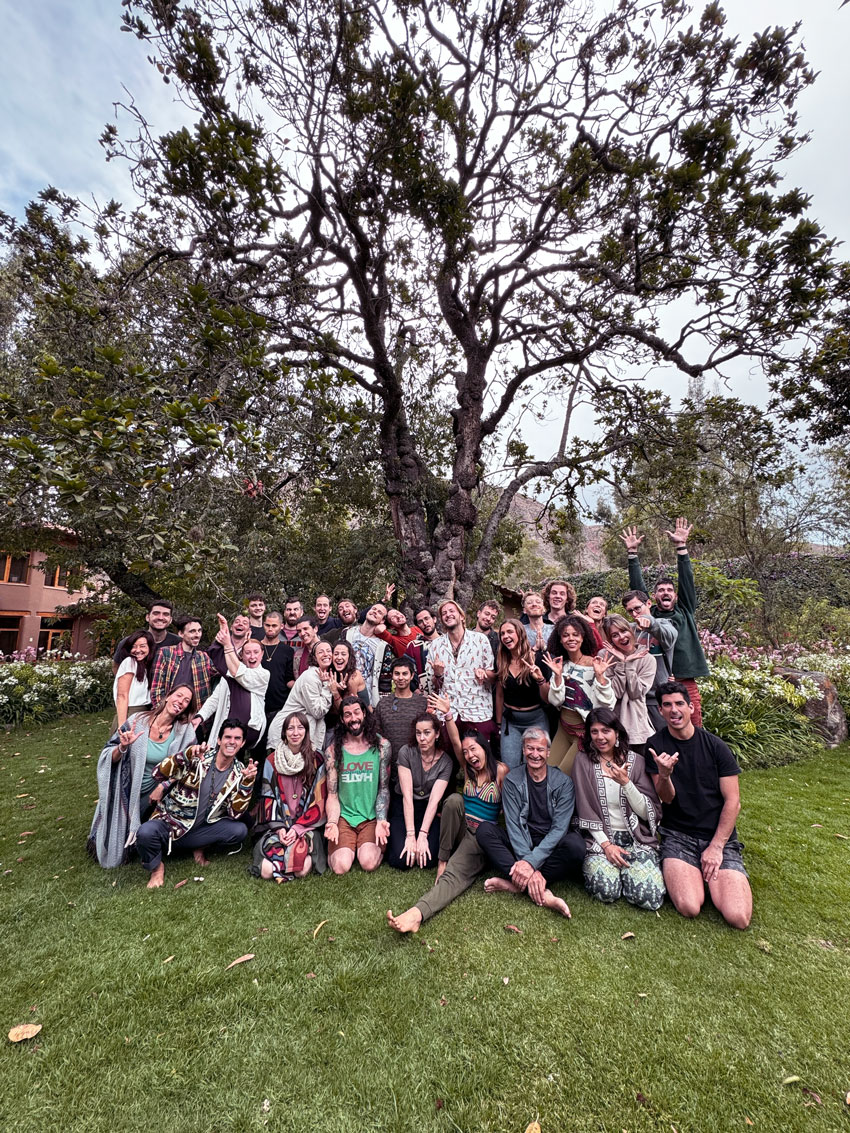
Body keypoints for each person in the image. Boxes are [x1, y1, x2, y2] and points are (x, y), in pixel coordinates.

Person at [645, 681, 752, 929]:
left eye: (679, 704)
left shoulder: (716, 747)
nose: (674, 710)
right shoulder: (655, 745)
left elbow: (733, 802)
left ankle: (716, 872)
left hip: (717, 837)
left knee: (738, 917)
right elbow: (666, 798)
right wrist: (664, 774)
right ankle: (695, 874)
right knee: (689, 906)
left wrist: (716, 847)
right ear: (660, 711)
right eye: (667, 705)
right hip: (678, 835)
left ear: (691, 707)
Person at [387, 729, 508, 933]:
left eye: (473, 749)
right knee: (453, 800)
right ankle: (442, 861)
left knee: (454, 874)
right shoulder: (468, 769)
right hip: (461, 829)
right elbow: (454, 739)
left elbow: (511, 809)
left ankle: (417, 914)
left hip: (481, 837)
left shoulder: (501, 771)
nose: (470, 755)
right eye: (466, 751)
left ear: (484, 746)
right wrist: (448, 715)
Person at [135, 720, 257, 889]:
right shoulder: (199, 757)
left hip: (198, 830)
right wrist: (186, 754)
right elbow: (158, 772)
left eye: (237, 738)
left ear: (243, 743)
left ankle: (197, 846)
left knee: (239, 830)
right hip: (171, 823)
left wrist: (247, 783)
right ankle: (156, 868)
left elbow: (235, 814)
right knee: (145, 833)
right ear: (219, 740)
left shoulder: (240, 771)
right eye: (227, 737)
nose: (232, 742)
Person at [475, 729, 584, 918]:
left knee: (575, 846)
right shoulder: (512, 781)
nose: (535, 754)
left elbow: (559, 829)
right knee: (484, 831)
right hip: (522, 841)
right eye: (530, 748)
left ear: (548, 752)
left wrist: (530, 863)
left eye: (540, 749)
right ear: (523, 750)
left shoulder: (564, 783)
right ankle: (542, 892)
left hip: (551, 844)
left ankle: (515, 884)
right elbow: (513, 826)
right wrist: (527, 861)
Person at [88, 684, 197, 868]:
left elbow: (187, 766)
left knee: (135, 837)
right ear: (168, 696)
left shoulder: (184, 732)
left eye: (186, 701)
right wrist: (122, 747)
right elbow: (110, 755)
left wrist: (163, 786)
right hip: (127, 788)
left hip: (155, 794)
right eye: (179, 696)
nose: (181, 702)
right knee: (111, 842)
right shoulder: (137, 720)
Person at [572, 707, 664, 910]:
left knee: (648, 897)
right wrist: (607, 846)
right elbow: (585, 808)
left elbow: (647, 812)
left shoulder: (636, 763)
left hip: (635, 838)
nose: (600, 737)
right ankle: (616, 873)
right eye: (594, 732)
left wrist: (626, 784)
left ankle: (629, 873)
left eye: (605, 731)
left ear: (617, 733)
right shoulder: (583, 762)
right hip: (601, 839)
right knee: (606, 891)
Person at [622, 517, 710, 726]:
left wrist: (681, 547)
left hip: (684, 678)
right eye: (661, 590)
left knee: (693, 724)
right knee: (663, 727)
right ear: (654, 597)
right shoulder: (648, 615)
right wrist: (632, 555)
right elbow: (637, 593)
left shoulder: (684, 610)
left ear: (676, 595)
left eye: (670, 590)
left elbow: (686, 580)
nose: (666, 593)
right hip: (658, 680)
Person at [252, 711, 327, 882]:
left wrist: (297, 829)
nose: (295, 733)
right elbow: (267, 798)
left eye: (300, 728)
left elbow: (319, 800)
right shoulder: (272, 760)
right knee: (265, 872)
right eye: (290, 728)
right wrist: (280, 829)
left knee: (300, 870)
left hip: (306, 826)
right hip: (277, 826)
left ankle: (292, 860)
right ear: (284, 732)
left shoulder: (317, 759)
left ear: (306, 731)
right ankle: (284, 860)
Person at [324, 696, 392, 874]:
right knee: (340, 867)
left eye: (356, 713)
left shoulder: (382, 746)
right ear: (341, 719)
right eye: (347, 715)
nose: (353, 719)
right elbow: (332, 794)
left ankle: (362, 847)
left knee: (368, 863)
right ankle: (348, 846)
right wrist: (332, 822)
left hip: (370, 818)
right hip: (344, 818)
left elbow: (383, 789)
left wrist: (381, 819)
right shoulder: (332, 751)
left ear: (364, 714)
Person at [544, 614, 615, 772]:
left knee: (562, 774)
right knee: (548, 770)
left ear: (583, 637)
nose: (571, 639)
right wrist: (556, 676)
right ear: (560, 639)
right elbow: (556, 701)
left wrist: (600, 677)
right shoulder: (562, 665)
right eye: (566, 635)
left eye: (575, 634)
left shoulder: (595, 664)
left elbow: (608, 704)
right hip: (563, 727)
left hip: (584, 730)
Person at [192, 614, 269, 750]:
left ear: (262, 654)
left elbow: (238, 673)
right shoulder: (227, 676)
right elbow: (214, 699)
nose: (252, 656)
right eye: (248, 653)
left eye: (256, 652)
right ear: (242, 655)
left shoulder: (263, 674)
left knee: (232, 677)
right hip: (227, 728)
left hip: (250, 730)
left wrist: (227, 644)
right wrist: (200, 716)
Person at [386, 713, 453, 870]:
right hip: (403, 805)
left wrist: (422, 835)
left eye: (427, 733)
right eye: (418, 733)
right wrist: (410, 835)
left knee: (428, 860)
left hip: (427, 808)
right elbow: (407, 797)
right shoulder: (406, 752)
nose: (422, 738)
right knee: (401, 860)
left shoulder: (446, 762)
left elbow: (434, 801)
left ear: (437, 734)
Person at [426, 599, 495, 737]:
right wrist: (438, 675)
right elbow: (433, 685)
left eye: (452, 611)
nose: (448, 614)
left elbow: (493, 677)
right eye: (444, 613)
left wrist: (484, 674)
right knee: (450, 755)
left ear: (461, 616)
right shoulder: (435, 646)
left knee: (479, 756)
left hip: (477, 711)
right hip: (448, 713)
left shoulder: (480, 640)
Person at [493, 618, 551, 769]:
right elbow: (499, 694)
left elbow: (547, 698)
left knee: (533, 765)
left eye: (510, 632)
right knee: (509, 766)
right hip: (510, 722)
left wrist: (539, 679)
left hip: (535, 720)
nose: (505, 636)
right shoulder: (501, 660)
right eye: (502, 633)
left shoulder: (536, 659)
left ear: (520, 633)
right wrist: (499, 724)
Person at [622, 589, 678, 732]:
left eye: (637, 608)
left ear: (648, 603)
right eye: (630, 611)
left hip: (657, 699)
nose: (635, 614)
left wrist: (651, 624)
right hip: (634, 699)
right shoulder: (629, 631)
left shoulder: (664, 624)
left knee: (667, 743)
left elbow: (670, 635)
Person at [599, 614, 656, 755]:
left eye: (624, 631)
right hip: (611, 724)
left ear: (631, 631)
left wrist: (629, 663)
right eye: (615, 635)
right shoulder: (604, 656)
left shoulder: (648, 659)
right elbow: (615, 693)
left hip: (636, 725)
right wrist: (620, 663)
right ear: (610, 640)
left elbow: (635, 693)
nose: (622, 637)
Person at [267, 640, 335, 748]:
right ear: (314, 657)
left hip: (301, 733)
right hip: (287, 732)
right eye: (321, 652)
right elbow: (317, 712)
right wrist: (327, 686)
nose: (326, 654)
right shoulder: (310, 677)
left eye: (328, 651)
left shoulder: (325, 675)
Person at [149, 615, 214, 707]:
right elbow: (156, 690)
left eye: (199, 631)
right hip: (168, 711)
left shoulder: (204, 657)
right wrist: (162, 713)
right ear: (181, 634)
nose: (197, 635)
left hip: (194, 715)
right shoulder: (165, 653)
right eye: (192, 631)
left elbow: (223, 672)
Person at [373, 656, 427, 760]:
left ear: (412, 676)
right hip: (388, 761)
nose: (401, 678)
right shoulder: (383, 704)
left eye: (405, 673)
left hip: (416, 762)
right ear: (392, 676)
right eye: (397, 673)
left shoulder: (422, 703)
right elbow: (377, 735)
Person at [341, 602, 390, 706]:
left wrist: (383, 705)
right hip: (344, 693)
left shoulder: (383, 647)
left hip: (368, 699)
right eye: (373, 609)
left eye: (379, 612)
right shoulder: (347, 633)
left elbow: (385, 680)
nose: (375, 612)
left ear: (382, 621)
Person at [112, 599, 180, 674]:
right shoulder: (129, 642)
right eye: (156, 613)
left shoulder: (179, 643)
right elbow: (117, 666)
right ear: (147, 617)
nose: (160, 617)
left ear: (170, 620)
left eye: (166, 614)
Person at [258, 611, 295, 727]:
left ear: (281, 626)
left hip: (279, 706)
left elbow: (288, 678)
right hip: (257, 704)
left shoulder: (287, 651)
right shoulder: (256, 648)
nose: (270, 629)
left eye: (274, 626)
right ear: (263, 625)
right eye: (267, 625)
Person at [112, 629, 155, 729]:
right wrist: (122, 726)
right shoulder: (129, 662)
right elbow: (122, 696)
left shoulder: (144, 666)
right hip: (130, 714)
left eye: (142, 646)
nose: (138, 650)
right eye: (134, 646)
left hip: (144, 715)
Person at [326, 640, 368, 732]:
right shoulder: (331, 673)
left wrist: (336, 692)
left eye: (343, 654)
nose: (339, 657)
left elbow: (346, 711)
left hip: (358, 723)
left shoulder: (353, 676)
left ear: (349, 657)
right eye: (336, 654)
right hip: (333, 722)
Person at [406, 607, 441, 690]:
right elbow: (406, 669)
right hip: (423, 696)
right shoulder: (413, 646)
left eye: (427, 618)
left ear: (434, 619)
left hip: (447, 694)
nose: (425, 623)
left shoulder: (447, 642)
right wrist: (415, 690)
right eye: (420, 622)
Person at [291, 616, 321, 681]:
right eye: (299, 631)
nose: (302, 633)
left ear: (315, 628)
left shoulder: (328, 650)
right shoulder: (298, 654)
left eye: (305, 629)